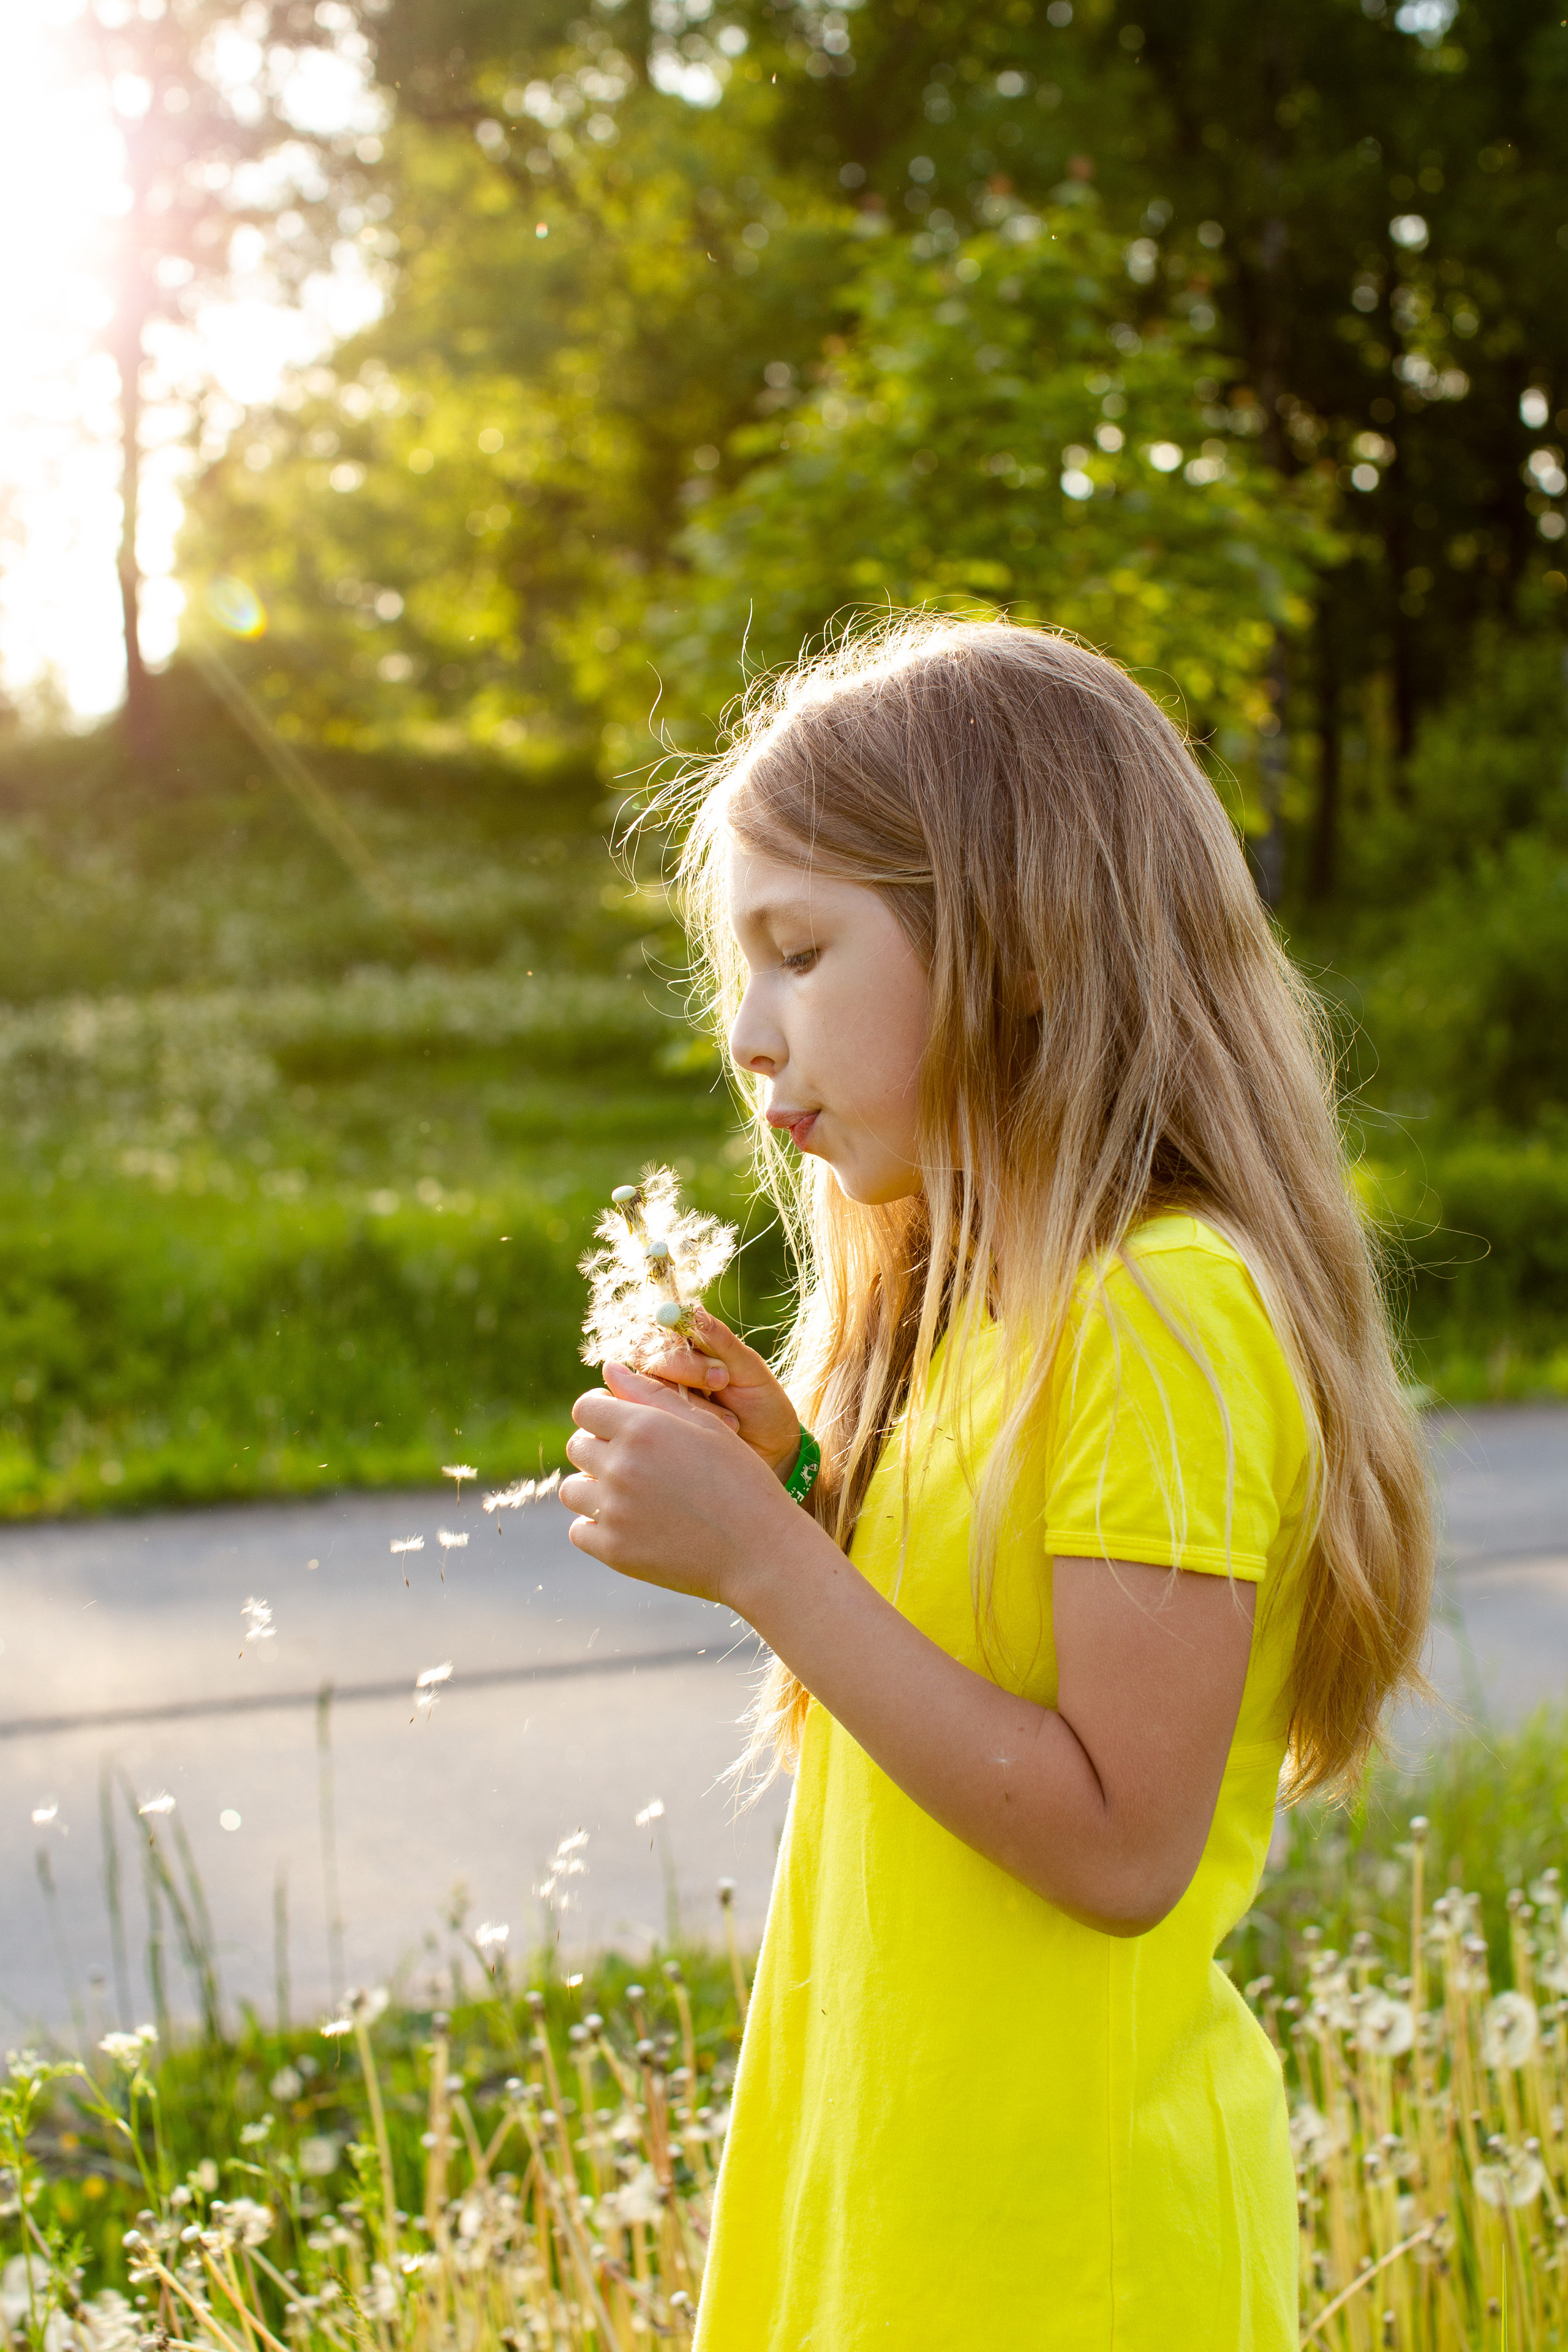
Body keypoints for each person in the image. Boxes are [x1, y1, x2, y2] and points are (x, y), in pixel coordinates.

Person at [557, 615, 1434, 2349]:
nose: (748, 1034)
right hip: (903, 2210)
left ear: (1022, 944)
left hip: (1065, 2261)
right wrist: (807, 1490)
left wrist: (768, 1566)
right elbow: (983, 1645)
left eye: (801, 952)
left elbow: (1121, 1841)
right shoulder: (985, 1311)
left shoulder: (1161, 1312)